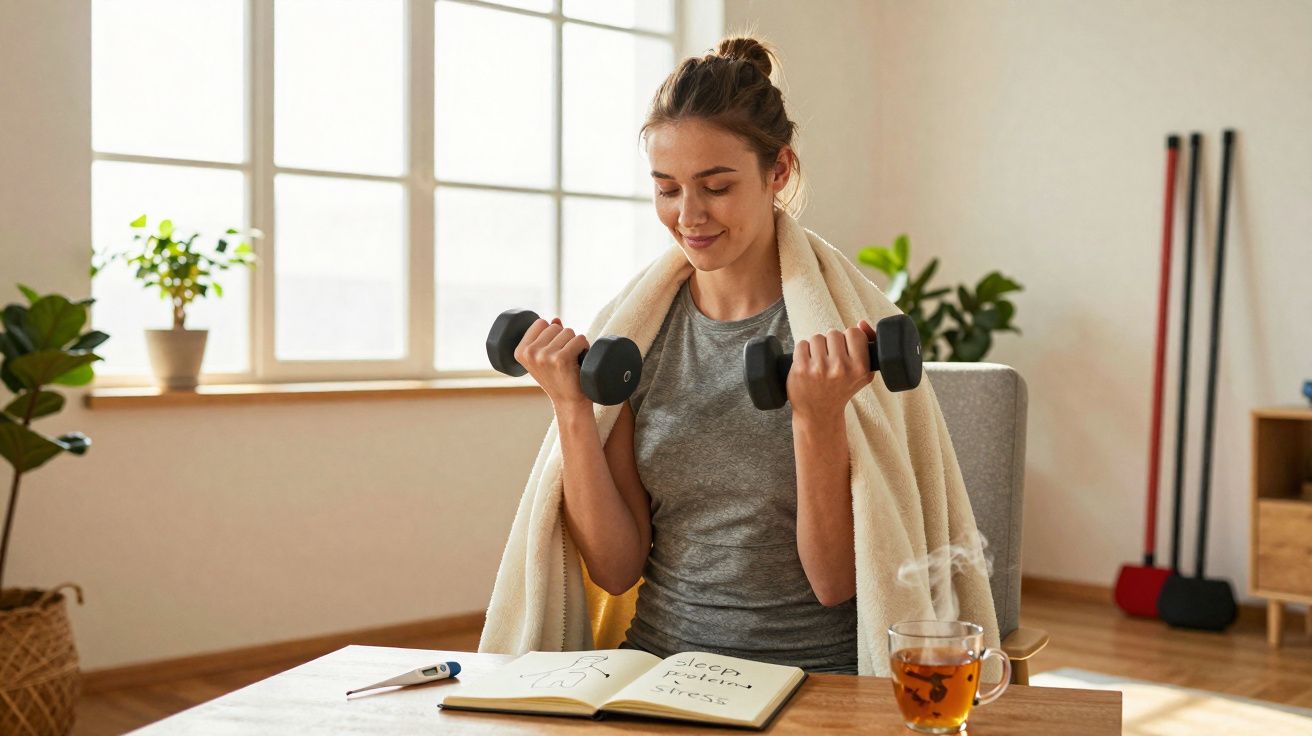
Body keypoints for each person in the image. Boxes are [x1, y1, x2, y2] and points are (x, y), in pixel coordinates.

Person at [509, 35, 875, 675]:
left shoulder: (840, 343)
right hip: (657, 667)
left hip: (811, 673)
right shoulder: (638, 339)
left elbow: (836, 584)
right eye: (667, 188)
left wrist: (816, 419)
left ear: (779, 171)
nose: (689, 215)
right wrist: (571, 407)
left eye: (716, 186)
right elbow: (618, 569)